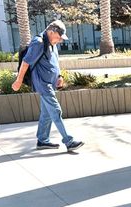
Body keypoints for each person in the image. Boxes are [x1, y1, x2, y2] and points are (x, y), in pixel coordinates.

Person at [12, 20, 84, 151]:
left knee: (46, 114)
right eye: (59, 37)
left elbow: (55, 62)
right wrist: (18, 81)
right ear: (51, 32)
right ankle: (69, 141)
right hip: (42, 83)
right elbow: (26, 62)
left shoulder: (52, 42)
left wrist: (59, 76)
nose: (60, 40)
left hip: (50, 83)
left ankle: (42, 140)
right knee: (56, 111)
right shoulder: (38, 43)